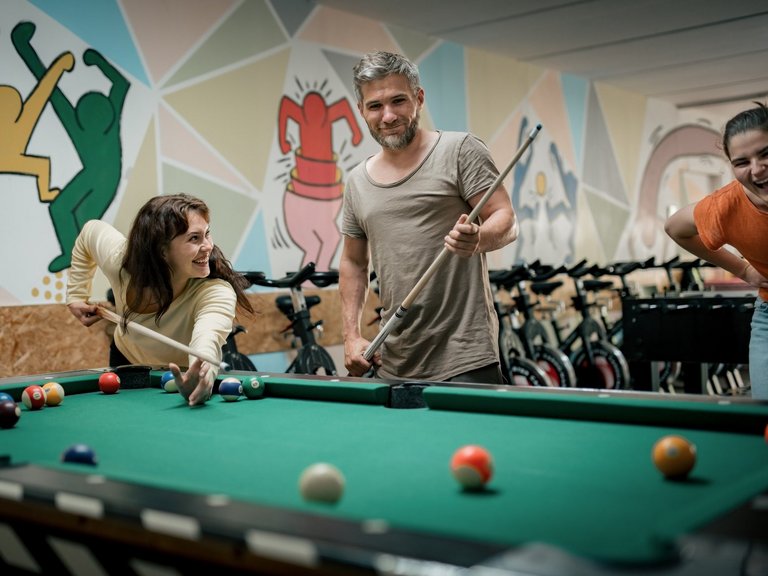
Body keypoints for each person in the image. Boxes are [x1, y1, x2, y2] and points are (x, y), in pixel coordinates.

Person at [340, 51, 518, 384]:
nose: (389, 116)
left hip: (464, 355)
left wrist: (479, 238)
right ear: (361, 110)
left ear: (419, 99)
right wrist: (350, 336)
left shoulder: (460, 150)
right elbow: (353, 263)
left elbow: (506, 218)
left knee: (471, 440)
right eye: (376, 106)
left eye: (399, 101)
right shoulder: (357, 181)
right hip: (394, 359)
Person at [67, 194, 254, 406]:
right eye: (194, 238)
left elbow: (207, 340)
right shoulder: (120, 262)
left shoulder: (216, 292)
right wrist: (75, 295)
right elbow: (89, 232)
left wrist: (203, 375)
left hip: (182, 374)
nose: (208, 246)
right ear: (162, 250)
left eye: (207, 234)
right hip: (127, 359)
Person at [665, 103, 768, 400]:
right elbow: (675, 228)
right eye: (742, 162)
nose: (757, 169)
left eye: (766, 153)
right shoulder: (726, 207)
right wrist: (742, 270)